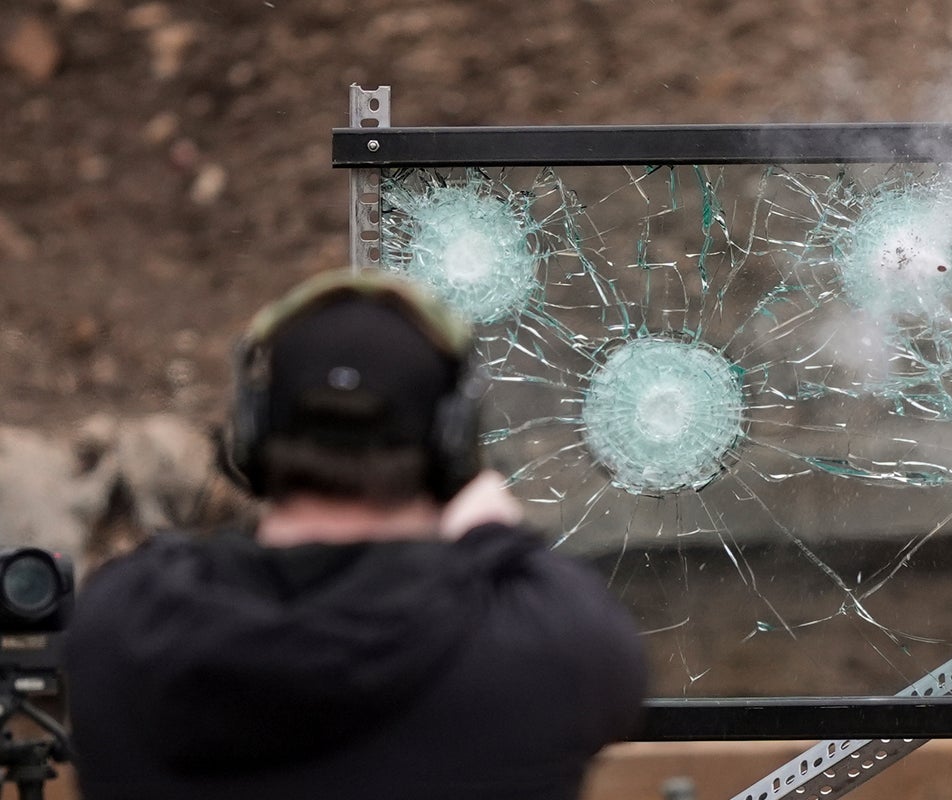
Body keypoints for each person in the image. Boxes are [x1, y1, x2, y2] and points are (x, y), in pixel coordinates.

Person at [64, 269, 647, 800]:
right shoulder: (543, 650)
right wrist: (489, 530)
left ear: (251, 432)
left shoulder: (122, 630)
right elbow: (591, 628)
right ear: (452, 447)